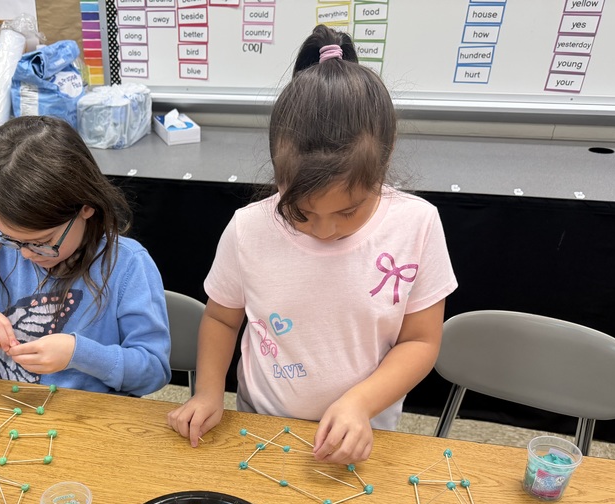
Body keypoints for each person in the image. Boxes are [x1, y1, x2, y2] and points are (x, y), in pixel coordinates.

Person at [167, 26, 457, 464]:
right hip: (262, 424)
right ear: (278, 174)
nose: (323, 231)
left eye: (348, 212)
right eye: (300, 212)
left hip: (365, 431)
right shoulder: (249, 228)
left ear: (385, 160)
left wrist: (359, 403)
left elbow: (419, 341)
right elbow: (222, 320)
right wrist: (209, 393)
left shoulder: (416, 224)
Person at [0, 115, 171, 398]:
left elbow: (153, 372)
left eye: (43, 242)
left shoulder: (127, 265)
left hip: (96, 421)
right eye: (11, 237)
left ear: (86, 208)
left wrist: (79, 354)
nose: (26, 254)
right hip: (19, 411)